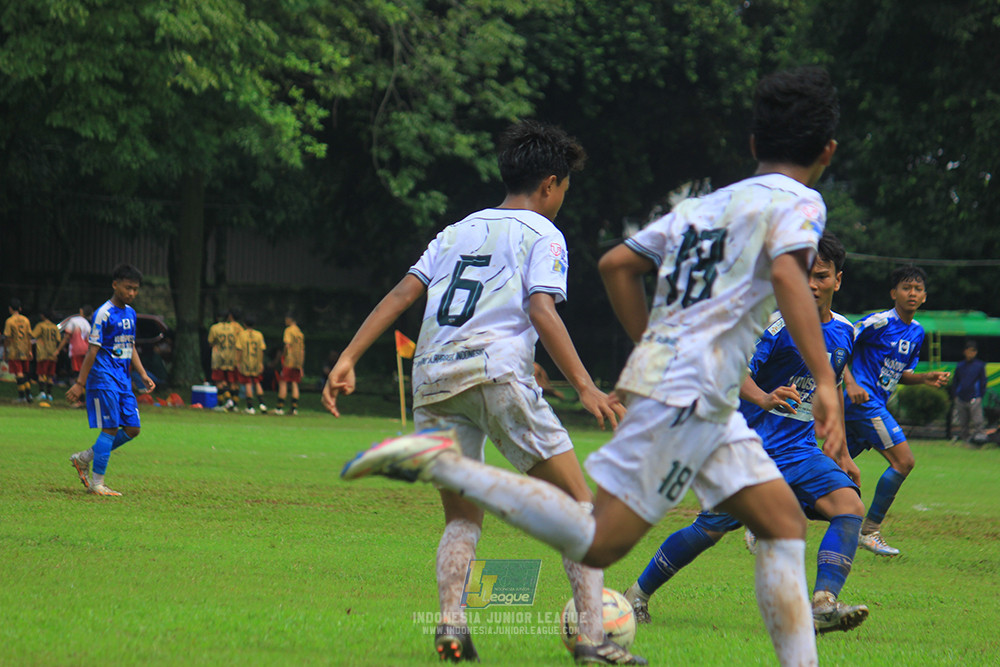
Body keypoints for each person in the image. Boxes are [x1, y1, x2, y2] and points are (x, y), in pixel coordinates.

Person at [337, 66, 845, 667]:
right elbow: (787, 273)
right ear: (828, 153)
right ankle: (580, 628)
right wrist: (823, 380)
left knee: (783, 522)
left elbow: (616, 265)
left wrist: (656, 345)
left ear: (755, 144)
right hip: (665, 392)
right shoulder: (800, 200)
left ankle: (460, 611)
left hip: (470, 376)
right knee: (593, 529)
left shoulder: (704, 206)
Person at [324, 120, 634, 664]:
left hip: (434, 380)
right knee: (582, 510)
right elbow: (541, 308)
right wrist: (587, 387)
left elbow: (403, 293)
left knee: (462, 519)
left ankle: (451, 626)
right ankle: (592, 639)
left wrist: (348, 357)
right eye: (565, 188)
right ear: (550, 185)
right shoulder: (544, 234)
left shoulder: (456, 231)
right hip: (495, 375)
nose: (563, 199)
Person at [623, 232, 869, 634]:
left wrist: (840, 452)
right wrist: (765, 397)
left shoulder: (845, 332)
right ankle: (637, 594)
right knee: (711, 528)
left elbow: (832, 390)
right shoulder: (771, 324)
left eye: (821, 276)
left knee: (849, 508)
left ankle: (823, 604)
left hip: (801, 450)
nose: (811, 284)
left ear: (837, 281)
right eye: (803, 274)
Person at [843, 265, 950, 556]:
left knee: (827, 467)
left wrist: (924, 379)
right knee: (904, 461)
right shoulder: (879, 322)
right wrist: (850, 383)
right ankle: (870, 531)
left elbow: (901, 373)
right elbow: (839, 346)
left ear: (925, 296)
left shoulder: (916, 332)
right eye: (906, 288)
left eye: (917, 289)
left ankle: (758, 516)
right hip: (862, 403)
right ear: (894, 293)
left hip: (872, 404)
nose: (912, 293)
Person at [65, 264, 156, 496]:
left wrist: (142, 374)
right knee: (110, 427)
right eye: (128, 288)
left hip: (124, 380)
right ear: (115, 285)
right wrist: (80, 383)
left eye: (136, 289)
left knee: (134, 428)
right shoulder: (102, 313)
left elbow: (130, 345)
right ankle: (97, 483)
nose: (132, 293)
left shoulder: (131, 313)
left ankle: (84, 458)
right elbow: (92, 351)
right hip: (104, 377)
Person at [950, 340, 987, 445]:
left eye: (974, 351)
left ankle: (979, 440)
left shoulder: (979, 365)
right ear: (965, 351)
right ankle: (965, 440)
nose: (971, 353)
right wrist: (955, 395)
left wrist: (980, 395)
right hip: (961, 397)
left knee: (978, 421)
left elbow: (983, 381)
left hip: (975, 397)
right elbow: (956, 381)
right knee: (963, 421)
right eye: (969, 351)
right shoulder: (960, 366)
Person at [207, 308, 243, 411]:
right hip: (231, 356)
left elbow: (210, 342)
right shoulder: (234, 328)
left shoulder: (214, 328)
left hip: (218, 356)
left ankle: (223, 403)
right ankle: (234, 404)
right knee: (231, 381)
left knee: (219, 381)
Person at [235, 314, 267, 414]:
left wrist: (238, 361)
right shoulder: (259, 335)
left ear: (244, 324)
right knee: (257, 382)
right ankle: (262, 404)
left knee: (248, 382)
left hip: (246, 361)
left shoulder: (242, 334)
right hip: (256, 361)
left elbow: (239, 349)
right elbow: (262, 350)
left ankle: (250, 407)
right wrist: (261, 362)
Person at [3, 298, 33, 403]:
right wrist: (30, 350)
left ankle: (22, 397)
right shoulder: (26, 320)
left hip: (15, 349)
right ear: (20, 308)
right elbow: (29, 336)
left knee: (19, 372)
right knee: (25, 372)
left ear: (10, 309)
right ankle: (29, 394)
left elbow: (7, 337)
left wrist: (5, 351)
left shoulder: (9, 321)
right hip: (25, 348)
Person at [275, 313, 304, 415]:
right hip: (297, 361)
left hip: (289, 360)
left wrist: (283, 356)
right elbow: (302, 349)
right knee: (294, 383)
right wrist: (301, 364)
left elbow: (287, 345)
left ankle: (279, 408)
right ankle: (294, 408)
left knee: (283, 382)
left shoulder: (288, 330)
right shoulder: (299, 332)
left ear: (289, 319)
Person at [32, 310, 62, 404]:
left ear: (43, 316)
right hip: (52, 353)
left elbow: (33, 335)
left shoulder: (40, 325)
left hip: (43, 353)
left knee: (41, 374)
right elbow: (58, 339)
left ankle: (42, 392)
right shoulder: (54, 327)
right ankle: (49, 394)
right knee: (50, 375)